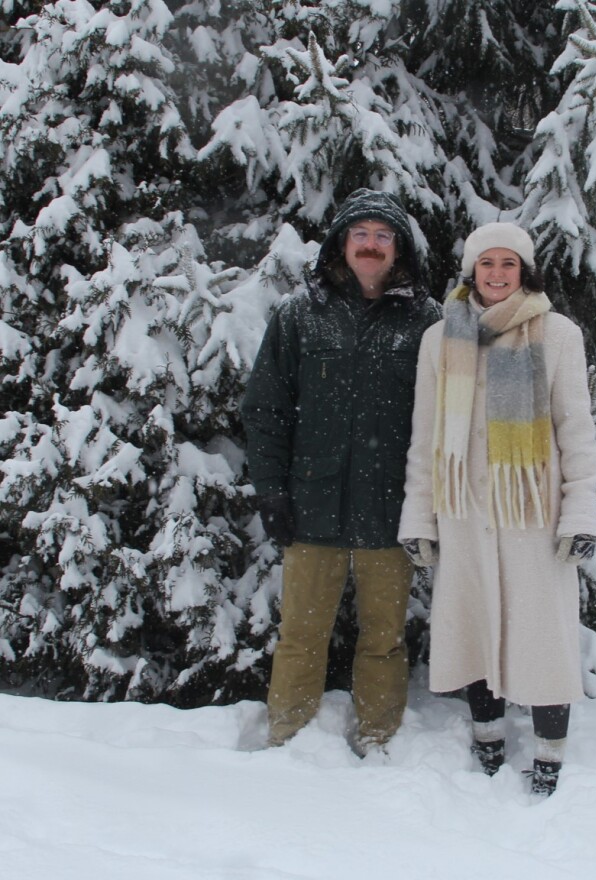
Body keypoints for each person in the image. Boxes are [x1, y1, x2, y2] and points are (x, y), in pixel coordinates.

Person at [398, 222, 596, 795]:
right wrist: (419, 516)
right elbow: (425, 436)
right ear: (470, 271)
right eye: (485, 263)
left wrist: (580, 512)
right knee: (474, 623)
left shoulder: (557, 334)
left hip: (532, 510)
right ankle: (486, 736)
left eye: (507, 264)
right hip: (463, 510)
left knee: (543, 633)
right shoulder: (440, 340)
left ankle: (549, 751)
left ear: (524, 271)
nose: (495, 274)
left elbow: (577, 432)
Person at [241, 189, 441, 754]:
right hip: (313, 507)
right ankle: (288, 739)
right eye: (361, 235)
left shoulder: (426, 321)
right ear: (341, 243)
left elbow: (448, 418)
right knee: (301, 636)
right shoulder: (298, 314)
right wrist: (273, 492)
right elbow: (265, 409)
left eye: (383, 236)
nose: (371, 245)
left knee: (383, 639)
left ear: (398, 249)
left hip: (390, 509)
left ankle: (379, 740)